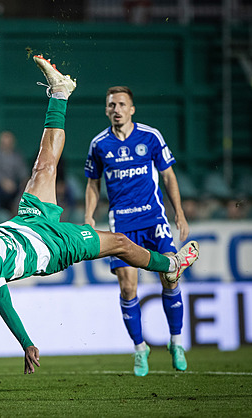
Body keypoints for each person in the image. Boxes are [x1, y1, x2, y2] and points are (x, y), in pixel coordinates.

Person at [0, 55, 199, 375]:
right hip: (52, 247)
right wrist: (27, 344)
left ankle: (60, 92)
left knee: (44, 164)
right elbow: (4, 305)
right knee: (120, 242)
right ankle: (172, 264)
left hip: (26, 222)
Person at [83, 85, 190, 376]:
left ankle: (176, 341)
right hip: (122, 225)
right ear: (106, 110)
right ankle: (140, 348)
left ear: (132, 109)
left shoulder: (151, 136)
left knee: (170, 276)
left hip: (154, 219)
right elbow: (92, 183)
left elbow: (168, 175)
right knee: (128, 287)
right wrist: (89, 216)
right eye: (111, 105)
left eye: (121, 104)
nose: (116, 109)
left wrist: (179, 213)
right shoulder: (99, 144)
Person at [0, 130, 29, 214]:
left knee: (25, 191)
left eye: (8, 143)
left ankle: (19, 216)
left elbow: (23, 171)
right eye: (4, 143)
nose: (6, 145)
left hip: (14, 186)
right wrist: (3, 182)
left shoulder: (17, 156)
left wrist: (25, 180)